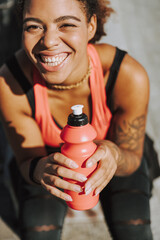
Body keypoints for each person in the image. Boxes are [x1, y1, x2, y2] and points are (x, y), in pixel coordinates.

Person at [0, 0, 153, 239]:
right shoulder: (11, 82)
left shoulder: (125, 75)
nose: (49, 41)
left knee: (134, 227)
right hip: (48, 158)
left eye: (66, 25)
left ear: (91, 26)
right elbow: (27, 159)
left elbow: (132, 155)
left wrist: (113, 154)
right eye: (34, 27)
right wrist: (41, 169)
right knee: (38, 231)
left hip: (116, 153)